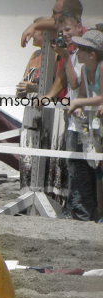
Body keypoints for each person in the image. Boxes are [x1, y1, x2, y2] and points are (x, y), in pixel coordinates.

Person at [66, 29, 103, 221]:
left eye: (81, 48)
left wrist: (79, 104)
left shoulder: (101, 68)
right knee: (96, 169)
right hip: (95, 125)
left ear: (92, 53)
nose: (76, 52)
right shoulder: (83, 69)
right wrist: (80, 105)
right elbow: (82, 95)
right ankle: (97, 212)